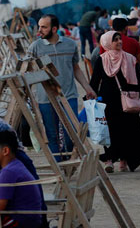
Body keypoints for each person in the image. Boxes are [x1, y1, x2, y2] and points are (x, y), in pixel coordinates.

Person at [28, 15, 96, 158]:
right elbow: (29, 73)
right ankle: (60, 166)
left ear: (54, 29)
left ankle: (67, 160)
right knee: (51, 134)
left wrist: (87, 88)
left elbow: (76, 68)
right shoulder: (35, 47)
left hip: (68, 95)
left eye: (44, 27)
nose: (40, 30)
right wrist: (31, 97)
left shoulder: (70, 45)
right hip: (45, 98)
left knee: (71, 131)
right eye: (39, 26)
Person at [90, 31, 140, 172]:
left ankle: (124, 160)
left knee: (126, 129)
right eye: (115, 40)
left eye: (119, 39)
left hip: (126, 99)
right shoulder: (102, 59)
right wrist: (91, 94)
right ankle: (109, 160)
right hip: (108, 100)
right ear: (107, 43)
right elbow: (95, 80)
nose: (119, 42)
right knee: (109, 130)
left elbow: (137, 78)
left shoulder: (129, 58)